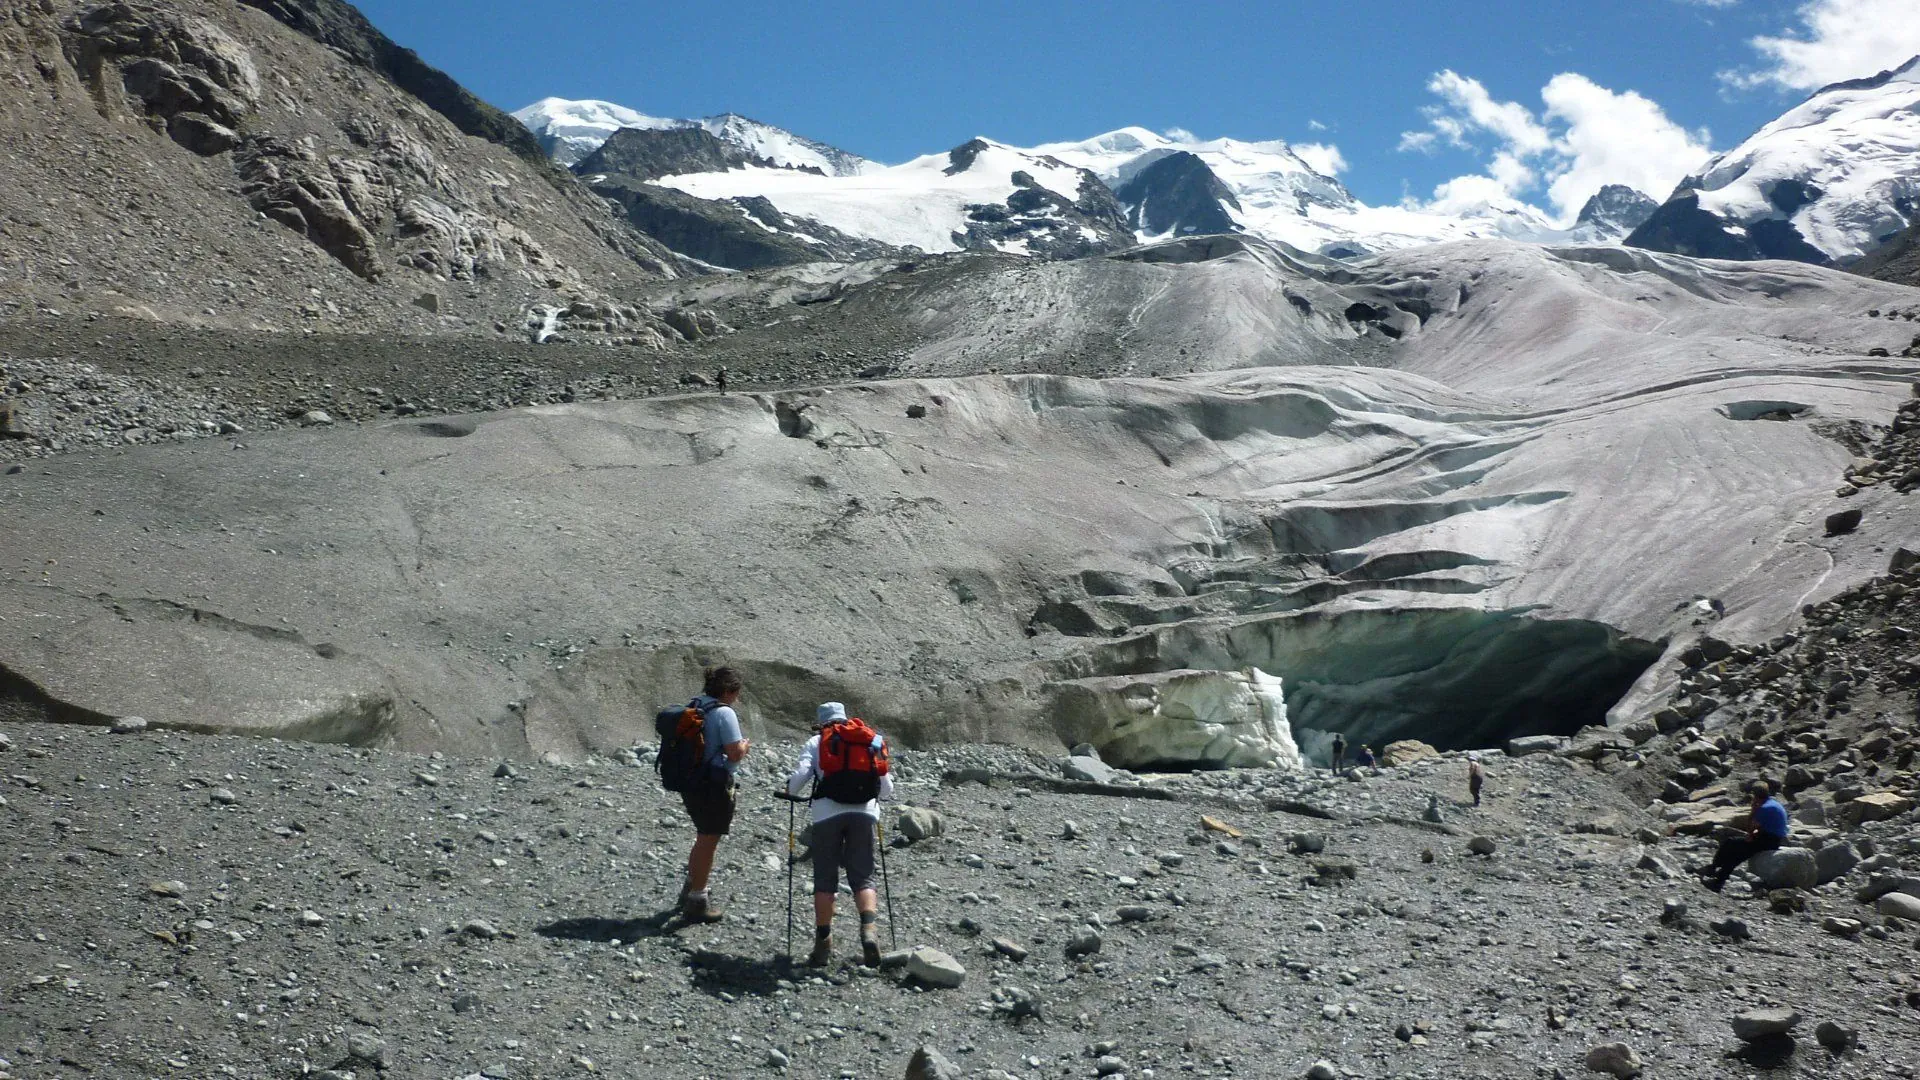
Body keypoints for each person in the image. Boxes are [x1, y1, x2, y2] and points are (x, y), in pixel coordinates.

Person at [786, 702, 894, 967]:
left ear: (822, 723)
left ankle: (823, 944)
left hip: (826, 814)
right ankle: (869, 929)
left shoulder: (816, 742)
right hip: (865, 813)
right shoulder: (869, 741)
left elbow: (800, 777)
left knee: (825, 880)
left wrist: (790, 791)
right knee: (863, 877)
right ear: (845, 719)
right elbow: (887, 788)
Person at [678, 666, 751, 922]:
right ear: (730, 691)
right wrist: (744, 747)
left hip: (690, 780)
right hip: (713, 783)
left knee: (703, 836)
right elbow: (733, 753)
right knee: (709, 839)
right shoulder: (724, 713)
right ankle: (697, 900)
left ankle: (690, 887)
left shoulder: (696, 704)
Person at [1703, 781, 1790, 892]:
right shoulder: (1774, 804)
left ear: (1754, 795)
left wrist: (1753, 811)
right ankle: (1714, 869)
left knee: (1735, 855)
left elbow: (1750, 828)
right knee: (1731, 842)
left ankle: (1717, 881)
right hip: (1774, 838)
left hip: (1768, 841)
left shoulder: (1764, 808)